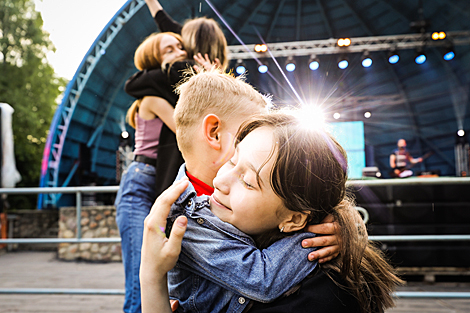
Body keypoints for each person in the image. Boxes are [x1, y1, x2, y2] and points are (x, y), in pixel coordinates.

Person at [141, 110, 403, 313]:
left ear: (294, 219)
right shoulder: (230, 227)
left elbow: (260, 278)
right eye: (232, 160)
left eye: (247, 181)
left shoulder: (320, 297)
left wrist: (151, 277)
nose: (219, 182)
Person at [115, 31, 189, 313]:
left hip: (155, 181)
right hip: (139, 181)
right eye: (168, 50)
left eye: (180, 47)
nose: (179, 52)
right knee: (140, 274)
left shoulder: (160, 97)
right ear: (154, 61)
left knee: (158, 274)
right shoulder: (151, 99)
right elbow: (183, 128)